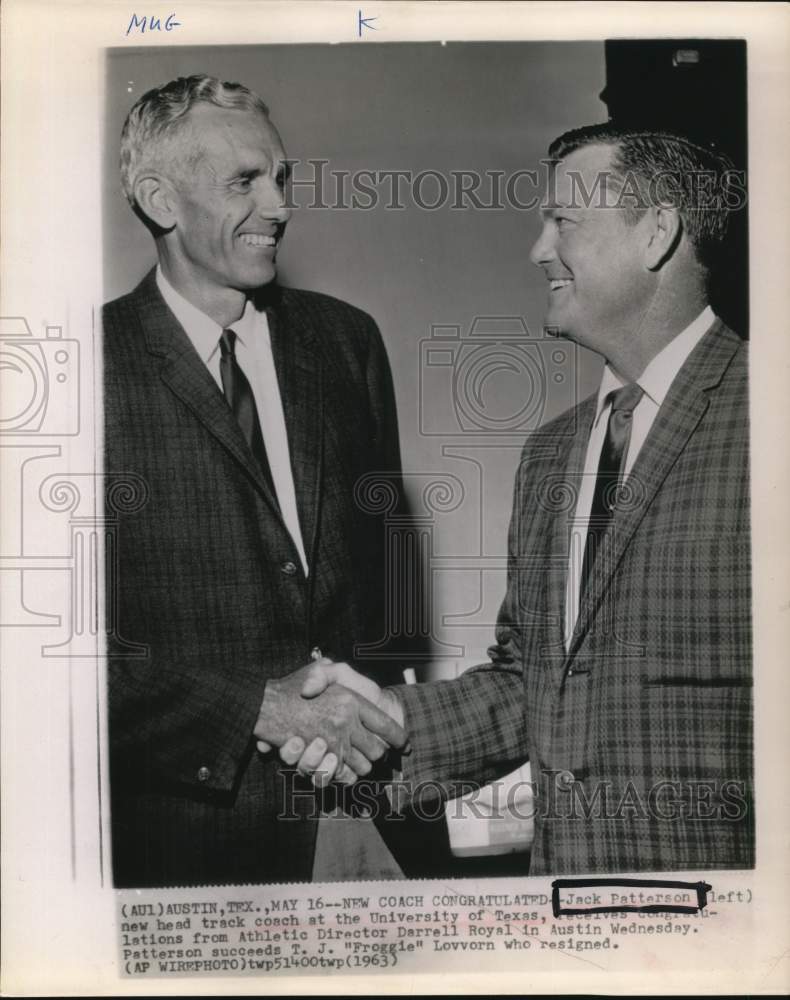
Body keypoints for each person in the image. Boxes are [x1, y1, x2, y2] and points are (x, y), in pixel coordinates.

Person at [283, 123, 753, 875]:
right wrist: (386, 714)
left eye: (565, 220)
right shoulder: (552, 454)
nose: (539, 249)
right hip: (567, 921)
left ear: (657, 233)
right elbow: (528, 684)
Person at [103, 74, 408, 888]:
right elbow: (43, 665)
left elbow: (385, 587)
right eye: (244, 181)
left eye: (282, 178)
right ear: (159, 200)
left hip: (364, 822)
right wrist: (256, 709)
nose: (278, 206)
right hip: (186, 852)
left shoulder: (348, 345)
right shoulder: (78, 371)